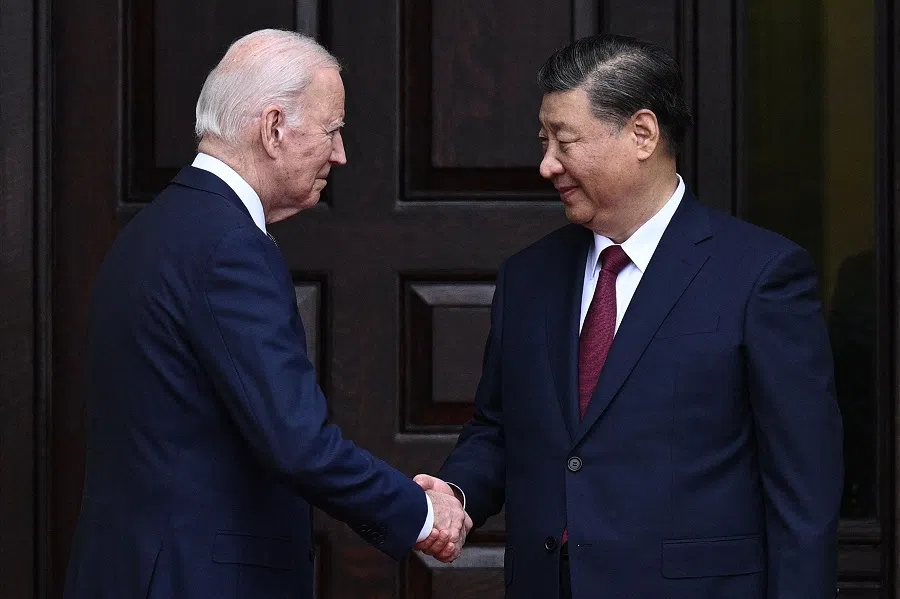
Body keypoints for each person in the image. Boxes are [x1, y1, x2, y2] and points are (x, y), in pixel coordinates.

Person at [414, 34, 843, 598]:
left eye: (564, 141)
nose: (546, 165)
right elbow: (498, 428)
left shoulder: (759, 274)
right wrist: (455, 494)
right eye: (544, 141)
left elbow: (803, 486)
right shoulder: (529, 277)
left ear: (642, 133)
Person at [63, 29, 470, 599]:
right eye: (332, 131)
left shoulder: (156, 229)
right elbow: (296, 441)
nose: (341, 153)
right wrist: (422, 514)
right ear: (274, 128)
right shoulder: (229, 245)